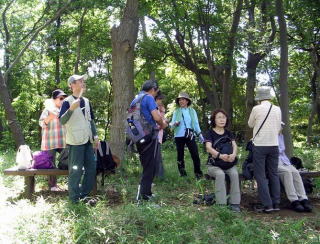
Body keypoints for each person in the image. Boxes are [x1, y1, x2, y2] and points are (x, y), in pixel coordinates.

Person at [59, 74, 99, 204]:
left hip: (88, 140)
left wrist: (95, 135)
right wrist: (71, 109)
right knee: (75, 171)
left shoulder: (86, 101)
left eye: (83, 81)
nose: (83, 83)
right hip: (75, 142)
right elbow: (62, 121)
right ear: (72, 85)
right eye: (80, 81)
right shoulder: (67, 101)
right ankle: (74, 199)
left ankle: (84, 196)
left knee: (91, 168)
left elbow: (90, 120)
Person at [132, 80, 167, 201]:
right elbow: (157, 117)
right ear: (153, 89)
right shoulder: (149, 98)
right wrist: (163, 124)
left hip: (137, 136)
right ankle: (143, 197)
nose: (156, 95)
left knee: (146, 164)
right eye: (156, 92)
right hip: (149, 136)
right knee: (150, 166)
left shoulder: (136, 99)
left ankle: (147, 193)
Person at [248, 86, 282, 213]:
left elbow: (250, 124)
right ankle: (276, 203)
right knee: (273, 173)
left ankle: (267, 205)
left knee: (260, 175)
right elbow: (279, 128)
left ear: (259, 99)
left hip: (260, 146)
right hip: (274, 145)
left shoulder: (256, 109)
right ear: (269, 97)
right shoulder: (277, 109)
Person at [204, 109, 241, 212]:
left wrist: (233, 154)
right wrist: (220, 156)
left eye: (224, 117)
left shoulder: (229, 133)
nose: (222, 120)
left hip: (229, 163)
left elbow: (234, 145)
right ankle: (221, 204)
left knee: (234, 174)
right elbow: (208, 148)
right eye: (219, 117)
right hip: (214, 165)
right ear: (214, 120)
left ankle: (235, 203)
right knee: (220, 175)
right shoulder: (210, 133)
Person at [170, 92, 204, 179]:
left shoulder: (192, 111)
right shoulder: (176, 111)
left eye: (183, 99)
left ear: (187, 101)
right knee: (180, 155)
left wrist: (199, 134)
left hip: (190, 134)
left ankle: (198, 173)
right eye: (180, 100)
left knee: (195, 154)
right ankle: (182, 173)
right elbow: (171, 125)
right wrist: (175, 124)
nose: (181, 101)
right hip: (178, 135)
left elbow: (196, 124)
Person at [39, 89, 67, 191]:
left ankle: (71, 183)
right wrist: (49, 117)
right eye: (60, 98)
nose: (63, 100)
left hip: (63, 141)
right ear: (54, 99)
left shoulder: (66, 109)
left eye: (64, 98)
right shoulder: (47, 110)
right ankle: (52, 186)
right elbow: (41, 124)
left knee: (68, 160)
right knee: (50, 164)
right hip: (49, 141)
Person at [278, 130, 312, 212]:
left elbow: (282, 151)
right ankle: (294, 201)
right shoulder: (267, 135)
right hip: (274, 162)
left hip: (284, 160)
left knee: (296, 172)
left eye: (281, 126)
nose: (281, 128)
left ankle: (303, 199)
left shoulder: (280, 136)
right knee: (287, 172)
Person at [155, 92, 166, 178]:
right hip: (155, 136)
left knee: (158, 156)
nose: (161, 101)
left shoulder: (161, 109)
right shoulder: (154, 109)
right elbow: (157, 123)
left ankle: (160, 176)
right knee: (157, 157)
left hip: (159, 136)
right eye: (160, 99)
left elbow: (163, 120)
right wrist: (163, 124)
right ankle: (159, 176)